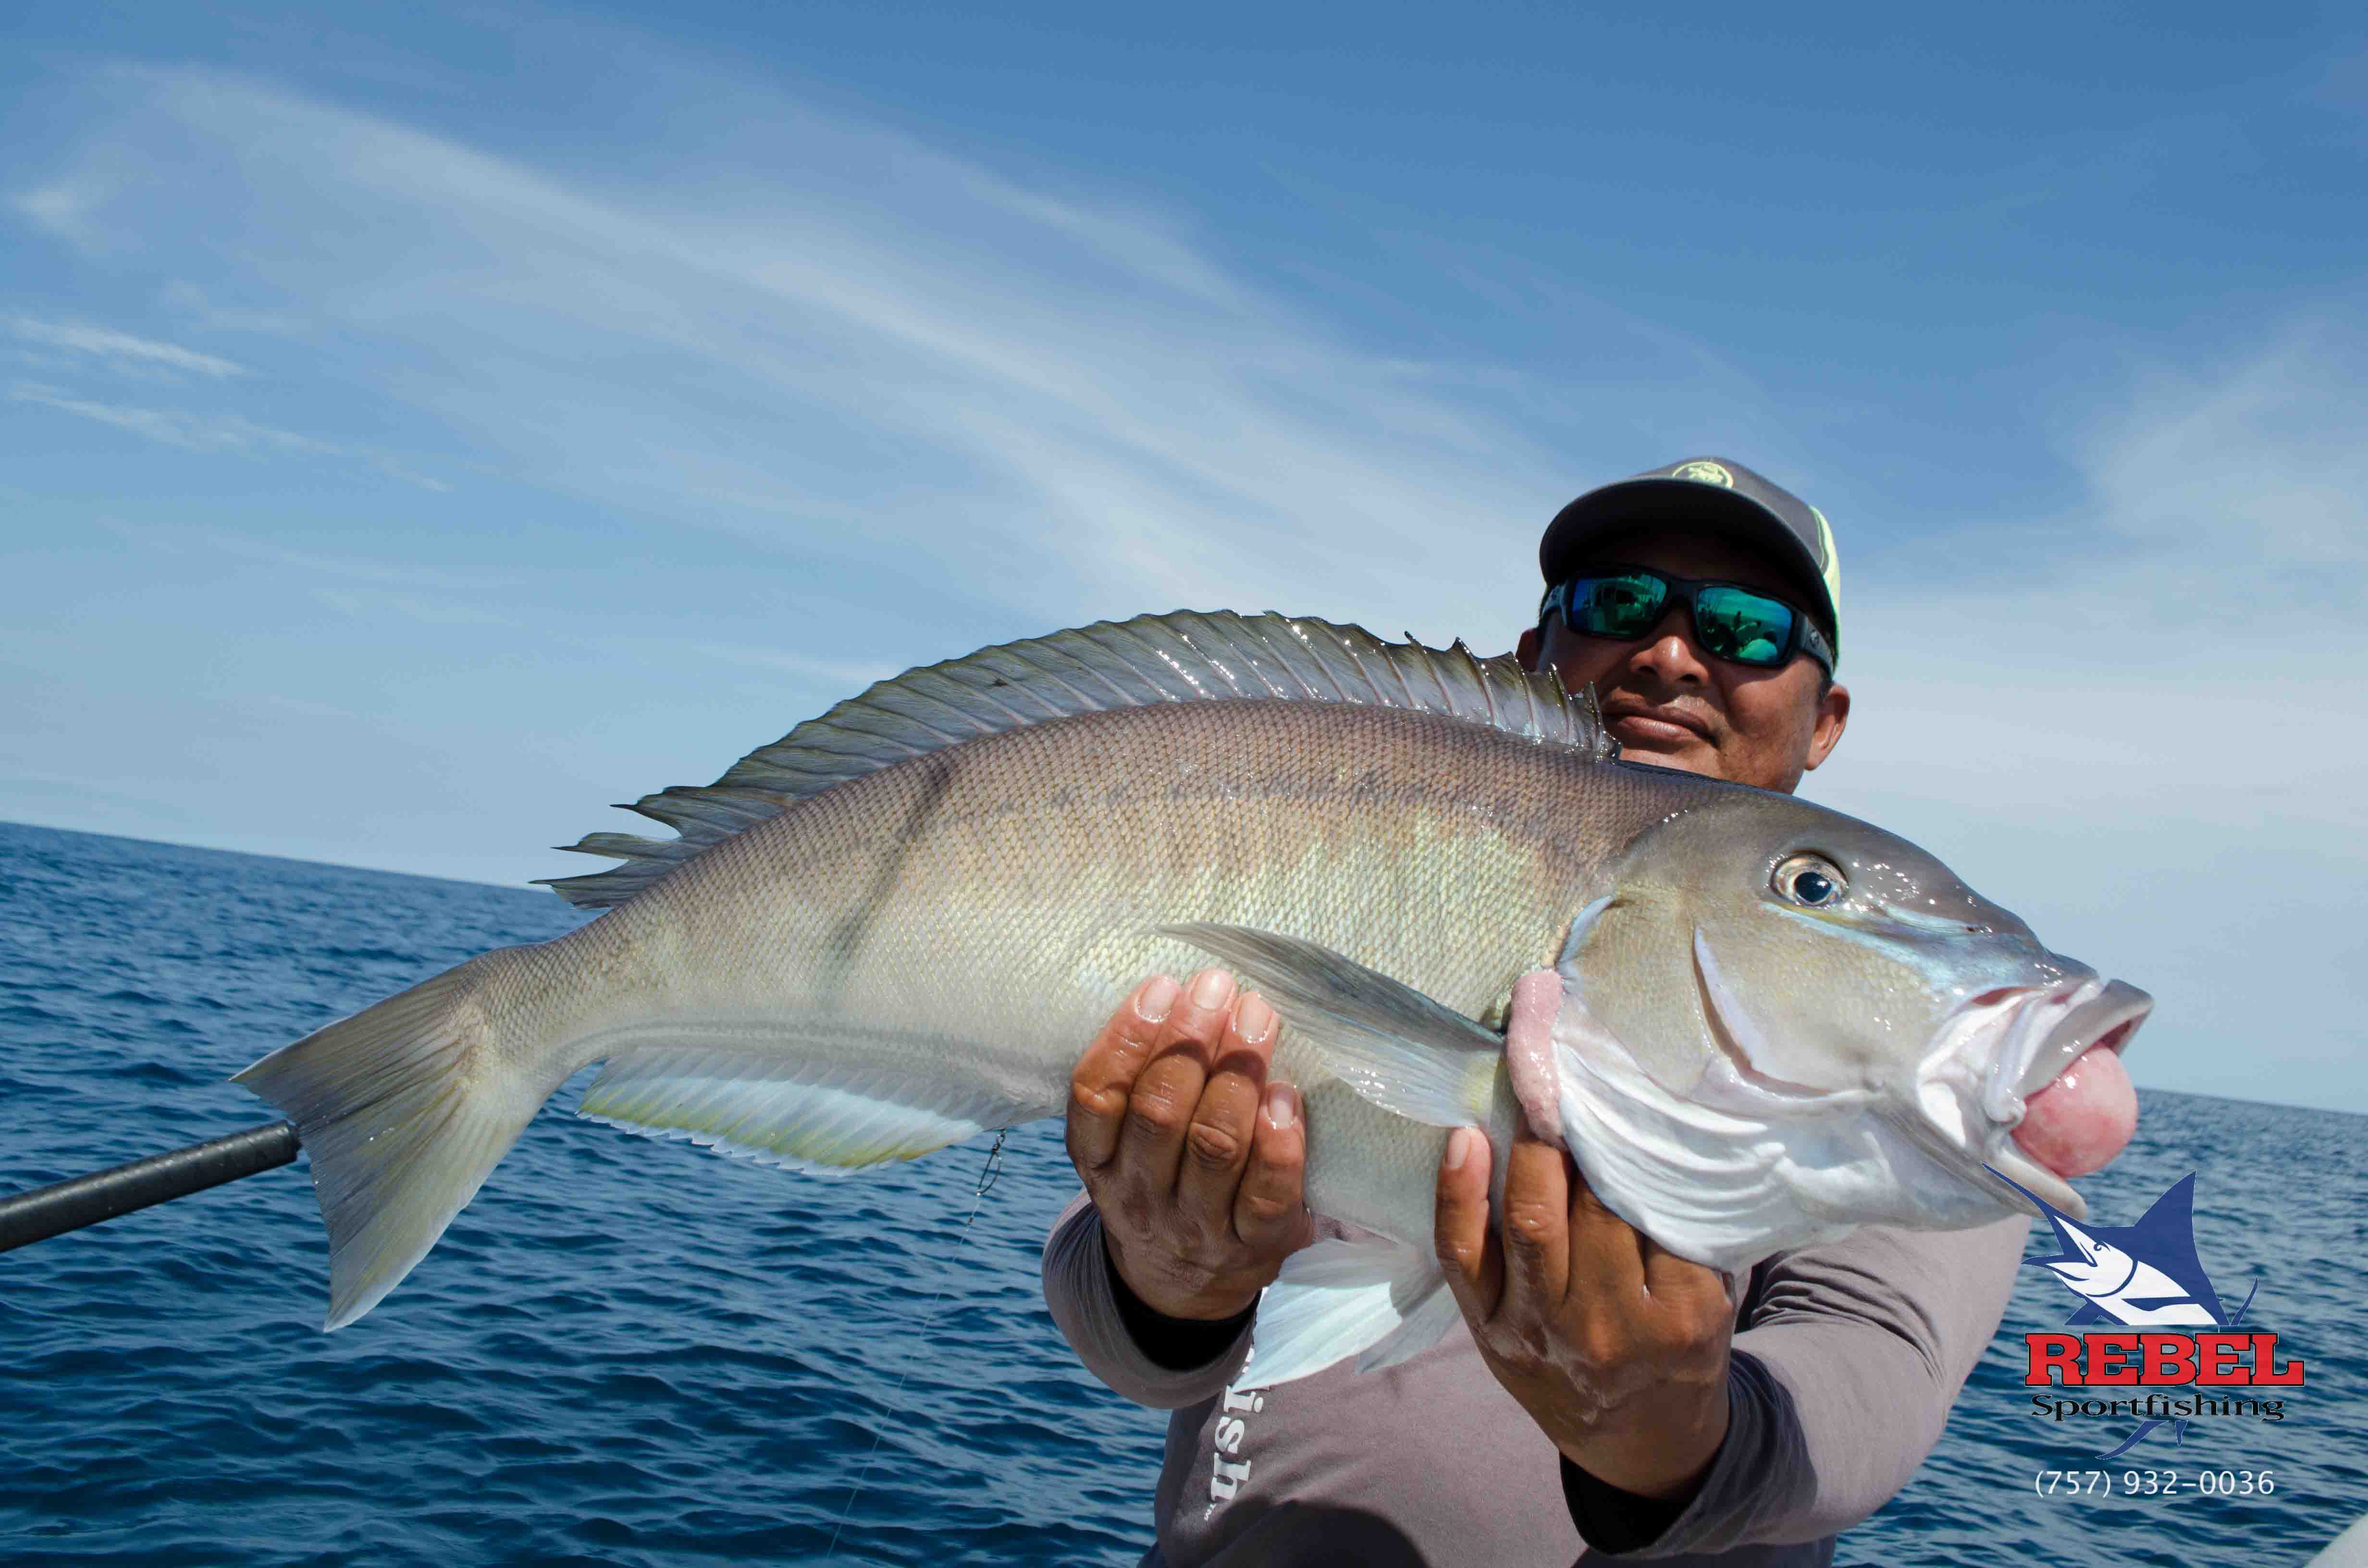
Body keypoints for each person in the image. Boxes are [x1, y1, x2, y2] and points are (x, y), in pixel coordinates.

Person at [1041, 457, 2031, 1565]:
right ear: (1534, 658)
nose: (1667, 655)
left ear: (1825, 719)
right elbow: (1129, 1352)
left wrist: (1673, 1436)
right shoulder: (1368, 875)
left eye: (1747, 628)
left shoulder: (1910, 1014)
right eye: (1617, 603)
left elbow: (1875, 1368)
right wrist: (1167, 1277)